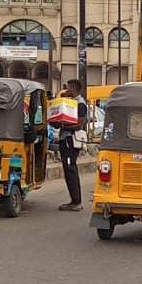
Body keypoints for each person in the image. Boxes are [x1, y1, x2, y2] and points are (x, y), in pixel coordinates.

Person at [57, 79, 87, 212]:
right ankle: (74, 200)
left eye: (68, 87)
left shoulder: (80, 104)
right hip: (65, 139)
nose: (66, 90)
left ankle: (76, 202)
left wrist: (63, 125)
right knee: (68, 170)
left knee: (71, 169)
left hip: (70, 140)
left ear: (74, 88)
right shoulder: (71, 103)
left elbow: (79, 124)